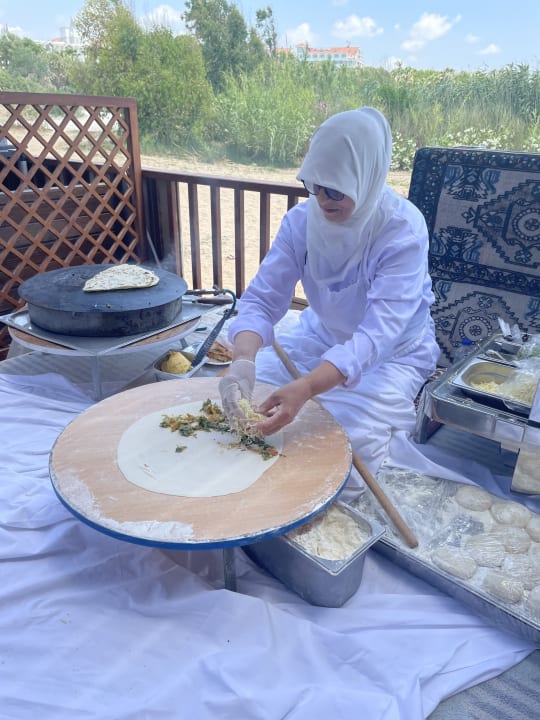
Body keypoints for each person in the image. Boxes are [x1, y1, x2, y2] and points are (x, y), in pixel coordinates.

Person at [219, 106, 440, 478]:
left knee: (344, 443)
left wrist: (307, 387)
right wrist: (243, 361)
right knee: (256, 395)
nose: (322, 199)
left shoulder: (401, 230)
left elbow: (378, 334)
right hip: (321, 336)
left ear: (366, 177)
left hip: (392, 354)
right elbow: (262, 299)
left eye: (336, 189)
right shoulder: (301, 222)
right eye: (314, 185)